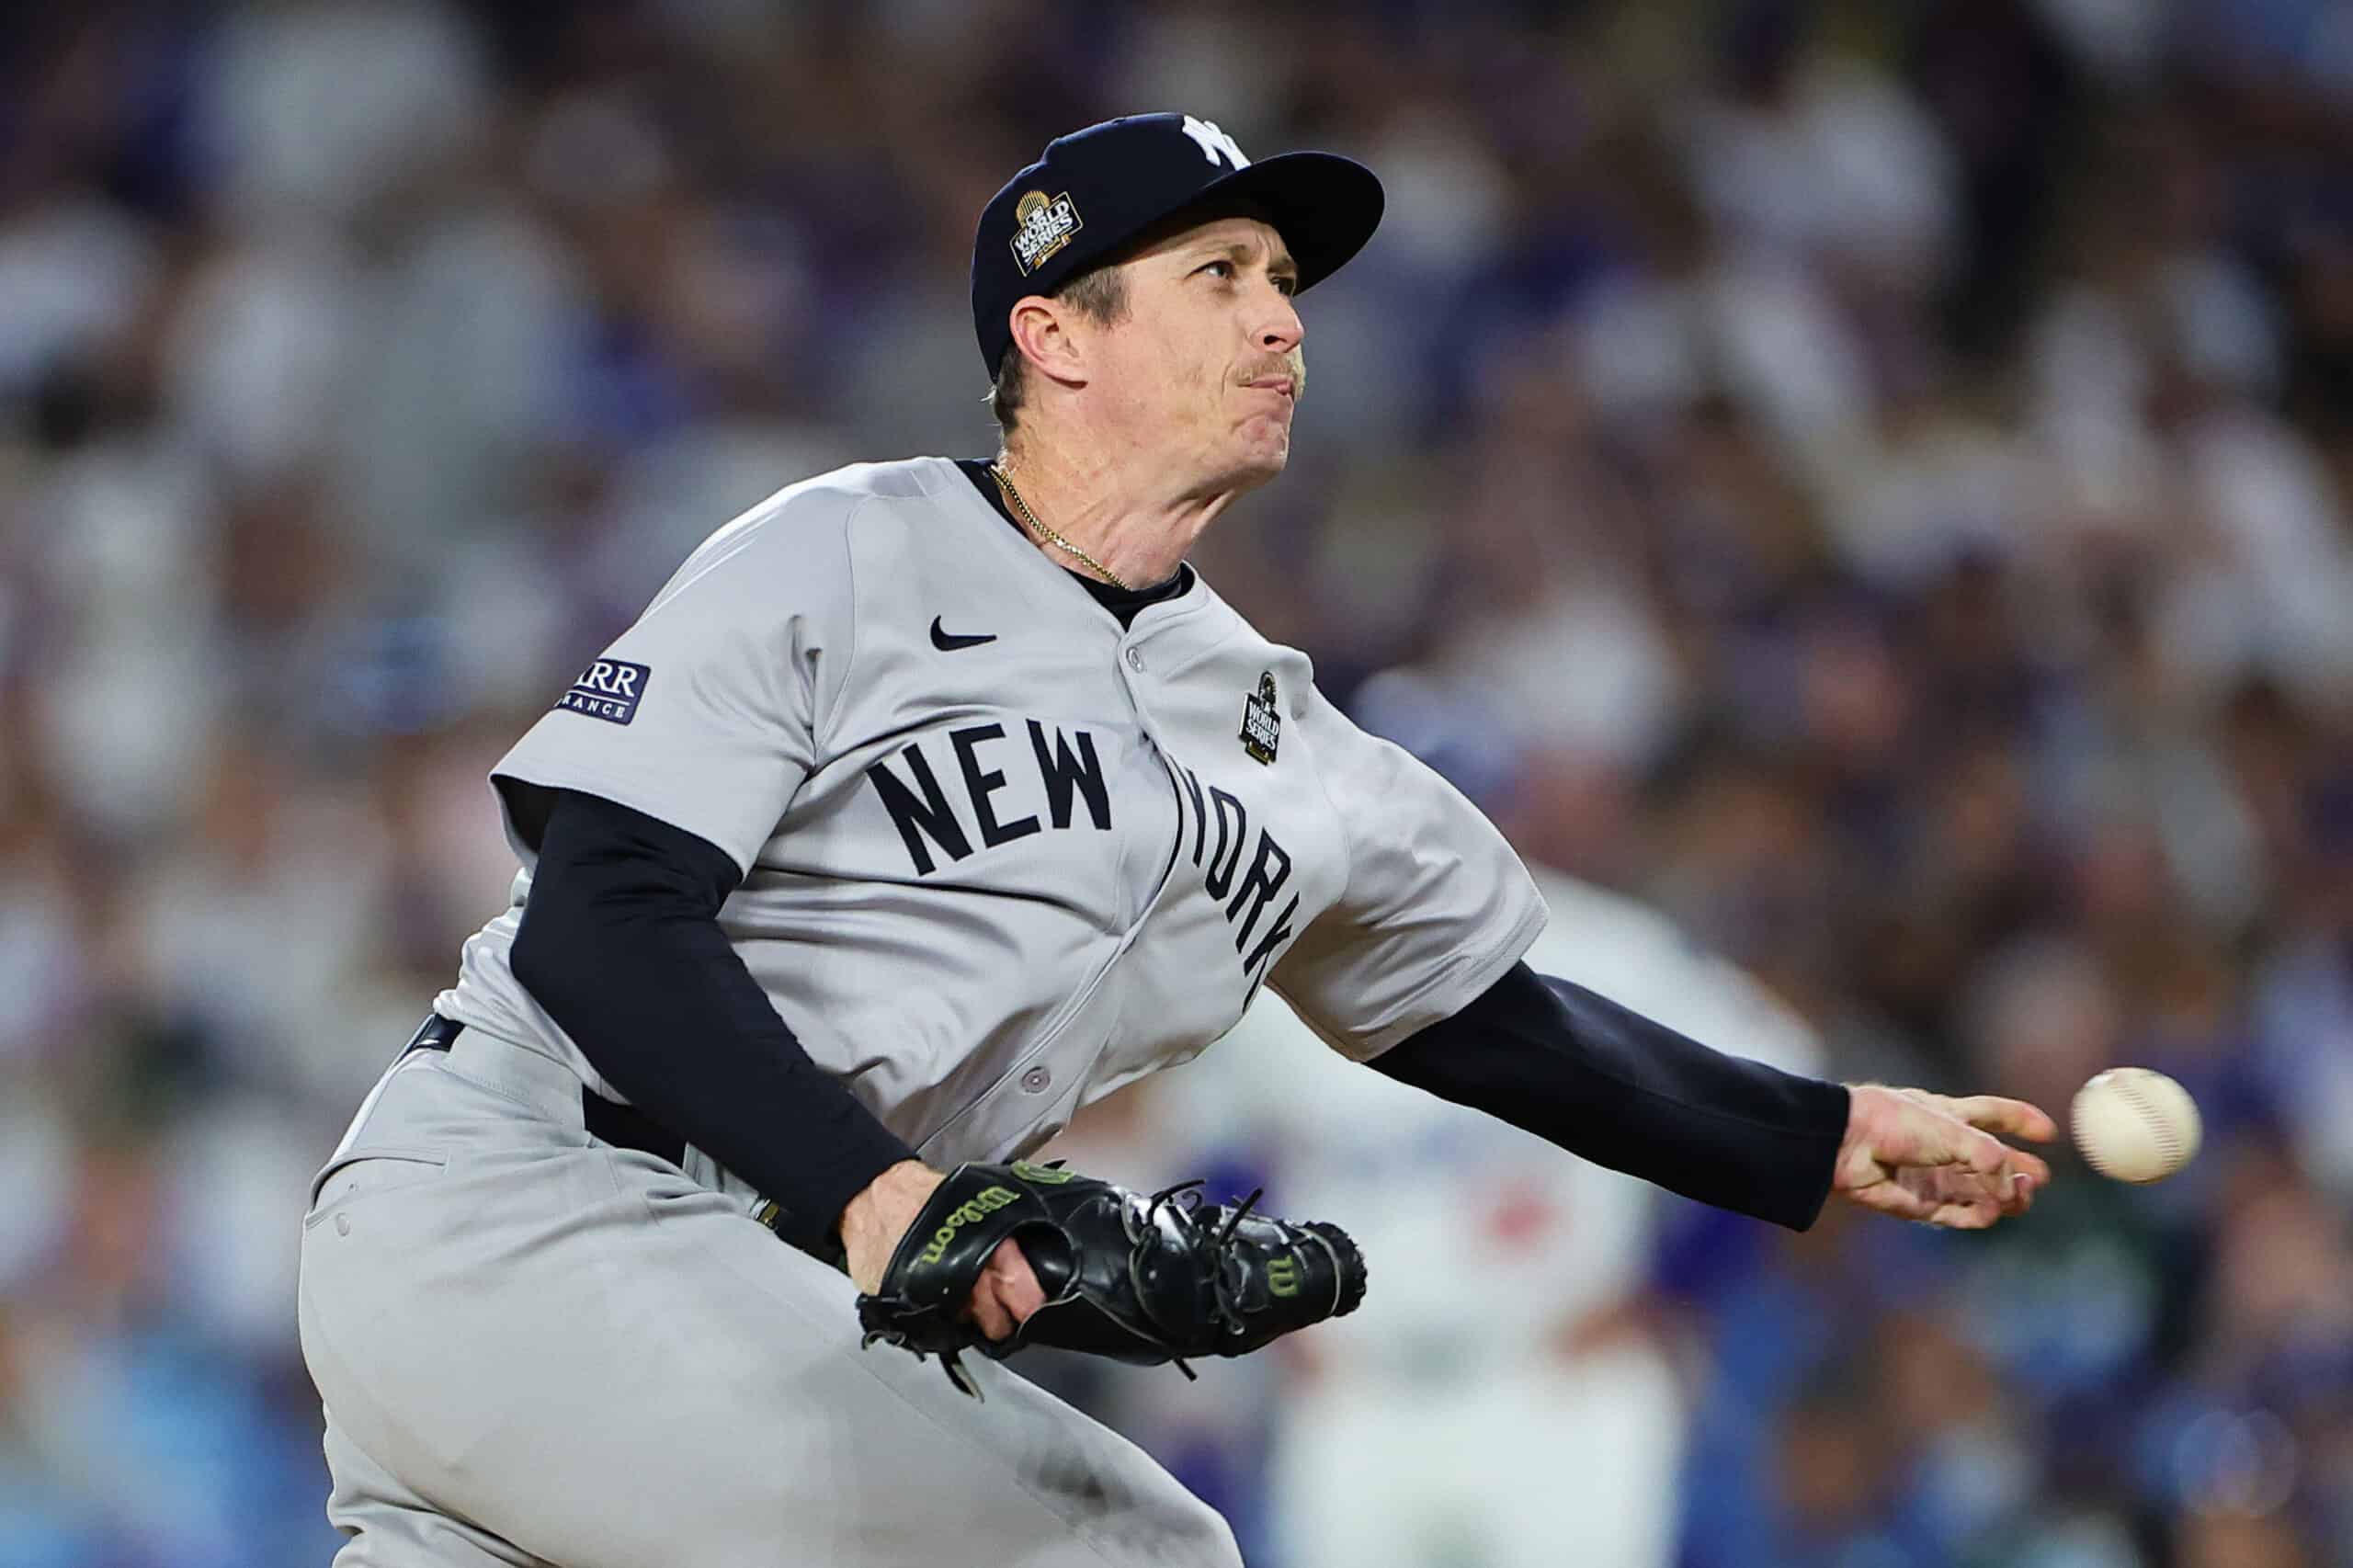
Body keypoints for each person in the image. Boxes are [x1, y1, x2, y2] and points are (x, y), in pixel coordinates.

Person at [296, 112, 2054, 1568]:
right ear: (1055, 333)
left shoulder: (1289, 742)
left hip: (716, 1311)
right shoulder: (844, 552)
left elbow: (1492, 1019)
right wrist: (883, 1189)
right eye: (1218, 275)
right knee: (1139, 1557)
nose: (1281, 320)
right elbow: (597, 917)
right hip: (526, 1199)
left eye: (1284, 284)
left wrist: (1815, 1131)